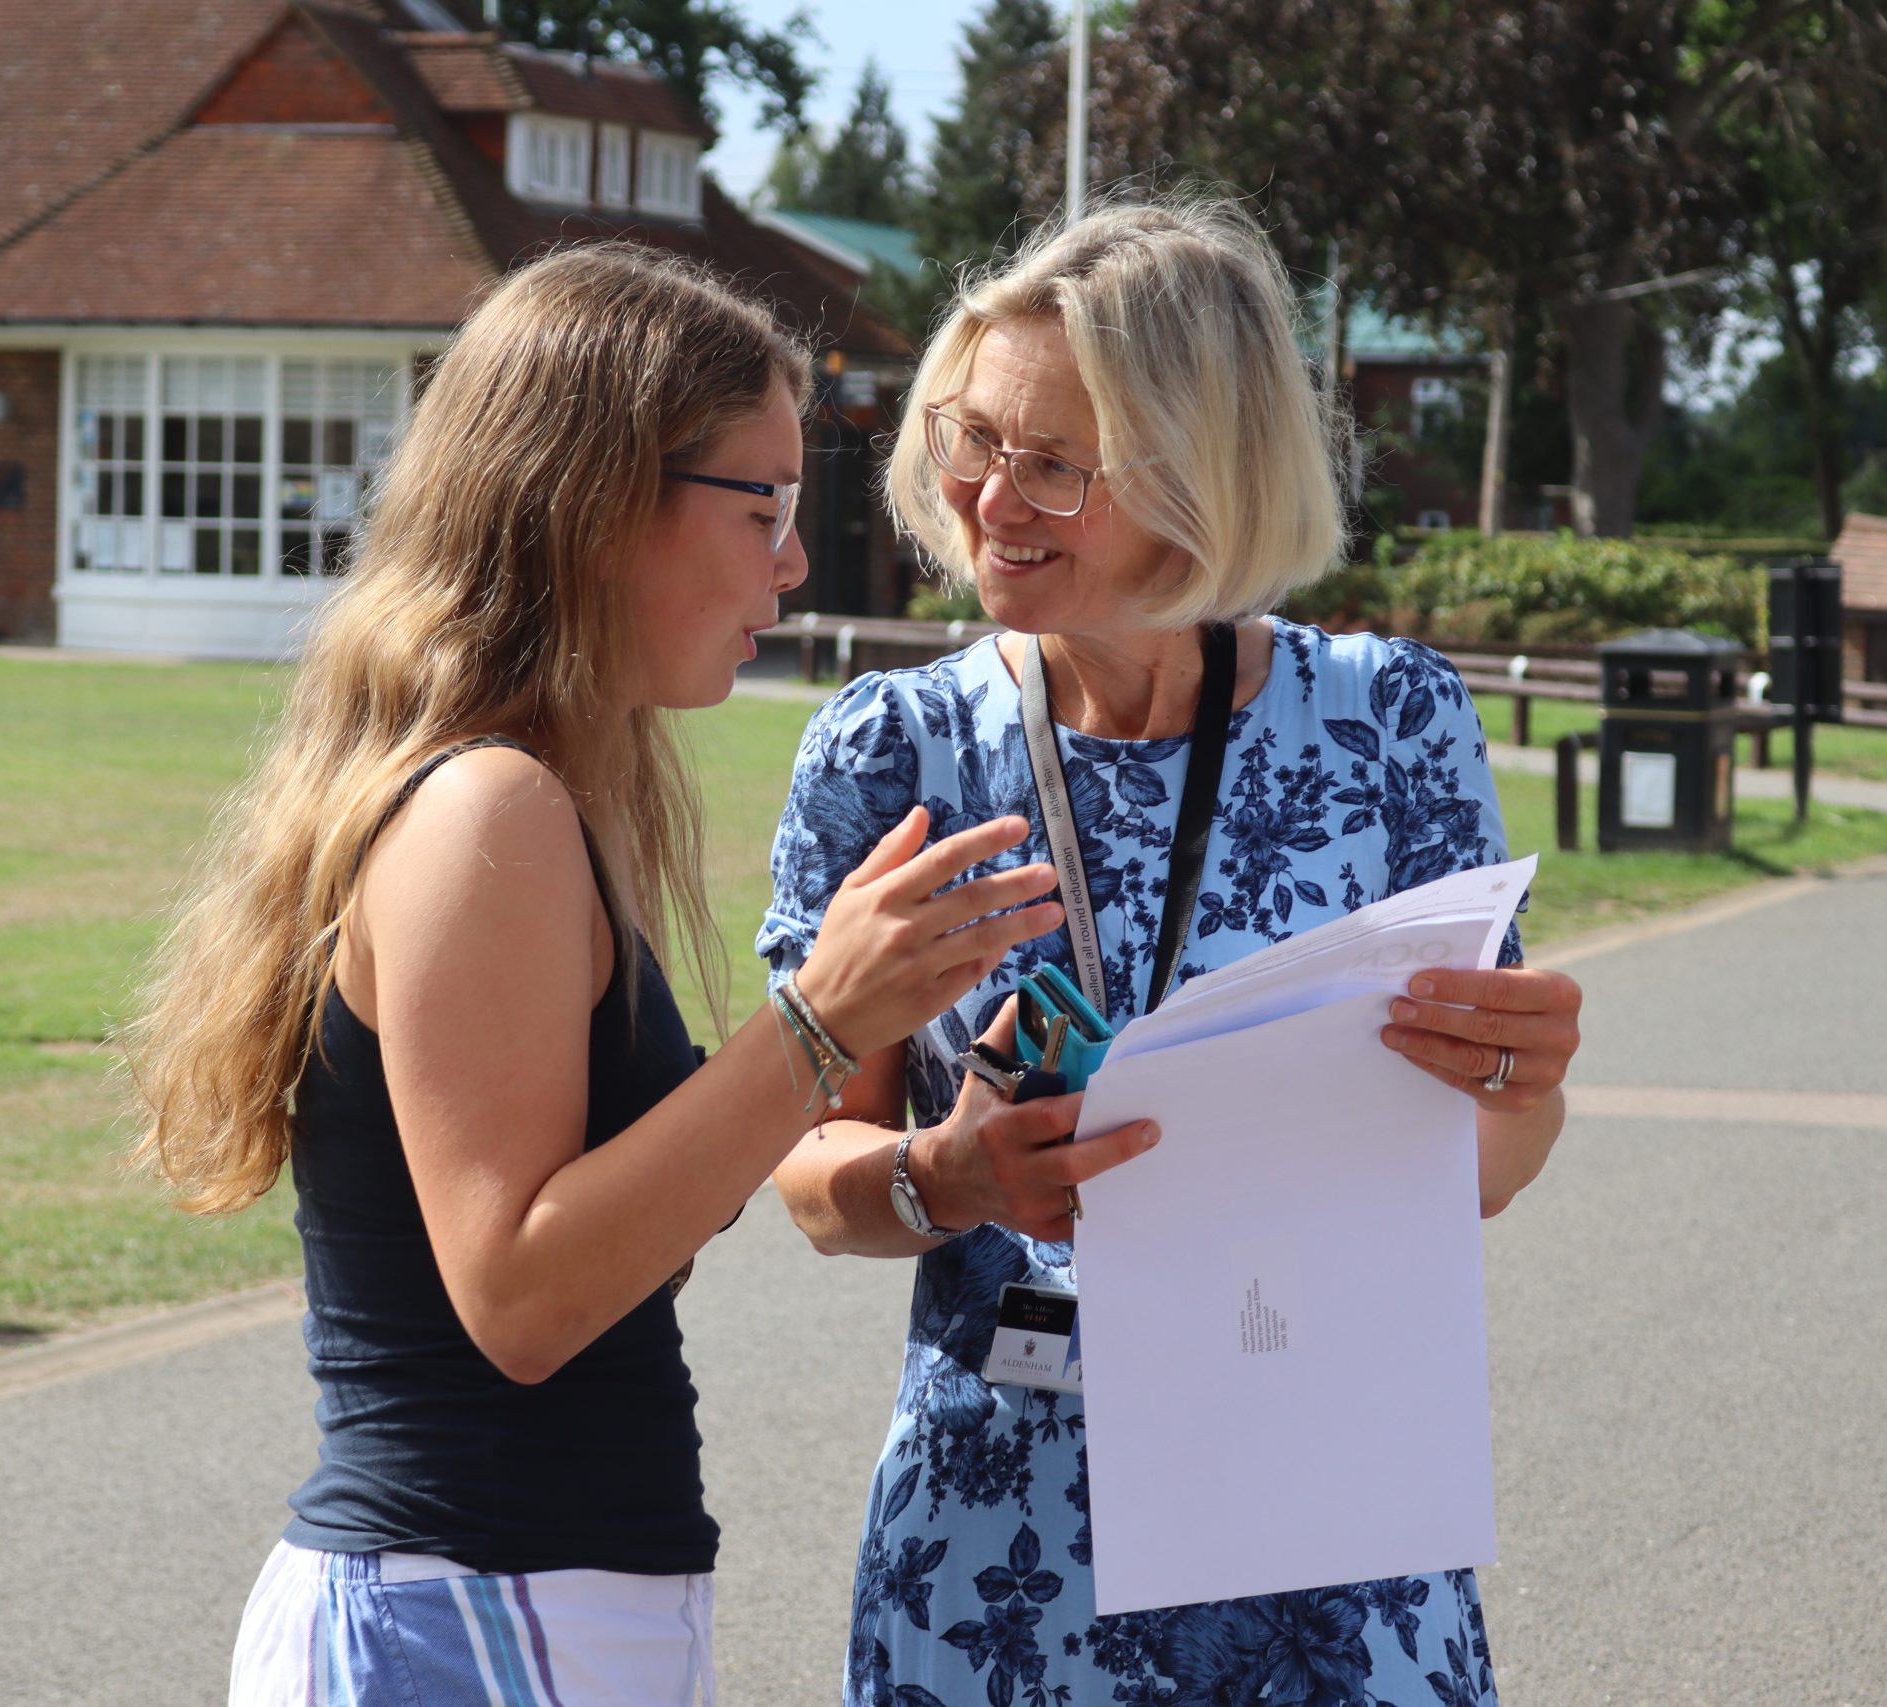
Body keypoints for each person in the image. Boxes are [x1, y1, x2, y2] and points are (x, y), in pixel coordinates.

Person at [125, 244, 1067, 1707]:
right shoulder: (483, 809)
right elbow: (522, 1298)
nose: (794, 564)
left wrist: (930, 1149)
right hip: (467, 1613)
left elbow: (620, 1247)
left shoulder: (544, 796)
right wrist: (823, 1022)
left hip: (517, 1611)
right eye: (764, 507)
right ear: (602, 503)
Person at [759, 200, 1587, 1707]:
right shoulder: (891, 750)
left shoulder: (1391, 721)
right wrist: (945, 1177)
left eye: (1056, 463)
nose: (990, 496)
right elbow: (811, 1173)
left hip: (1323, 1526)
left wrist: (1519, 1084)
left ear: (1202, 475)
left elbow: (1481, 1170)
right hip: (997, 1547)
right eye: (973, 437)